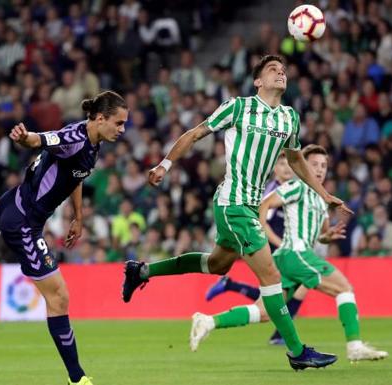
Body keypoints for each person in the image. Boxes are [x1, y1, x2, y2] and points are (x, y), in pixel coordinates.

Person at [122, 55, 353, 370]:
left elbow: (297, 160)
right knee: (271, 277)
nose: (281, 72)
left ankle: (142, 272)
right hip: (233, 203)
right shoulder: (238, 107)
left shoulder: (289, 118)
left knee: (216, 264)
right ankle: (298, 352)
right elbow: (195, 133)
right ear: (258, 81)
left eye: (283, 69)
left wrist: (325, 194)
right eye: (273, 69)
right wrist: (165, 164)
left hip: (247, 205)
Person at [0, 91, 128, 385]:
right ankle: (77, 378)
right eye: (118, 123)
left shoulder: (92, 142)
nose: (122, 130)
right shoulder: (74, 139)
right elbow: (41, 140)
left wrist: (78, 216)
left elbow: (76, 176)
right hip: (25, 222)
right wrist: (24, 137)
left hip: (15, 201)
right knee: (58, 297)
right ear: (100, 118)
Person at [190, 145, 388, 362]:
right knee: (344, 289)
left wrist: (327, 236)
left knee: (264, 312)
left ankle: (208, 321)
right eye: (313, 165)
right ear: (303, 167)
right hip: (296, 253)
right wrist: (261, 227)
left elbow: (319, 235)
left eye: (323, 165)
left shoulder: (321, 199)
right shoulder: (298, 186)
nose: (320, 170)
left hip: (287, 258)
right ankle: (355, 346)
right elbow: (266, 203)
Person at [205, 152, 309, 346]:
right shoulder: (272, 192)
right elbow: (262, 224)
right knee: (289, 291)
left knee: (276, 296)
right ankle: (281, 336)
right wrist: (280, 244)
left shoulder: (288, 189)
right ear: (274, 168)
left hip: (279, 248)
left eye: (289, 164)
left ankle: (230, 287)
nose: (286, 168)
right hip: (271, 248)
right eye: (281, 164)